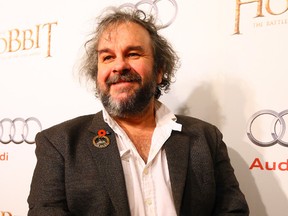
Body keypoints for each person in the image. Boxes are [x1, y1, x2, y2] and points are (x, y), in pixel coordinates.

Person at [27, 6, 249, 216]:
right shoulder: (59, 144)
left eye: (133, 54)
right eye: (107, 57)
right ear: (97, 75)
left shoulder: (206, 138)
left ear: (159, 71)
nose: (119, 66)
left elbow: (232, 211)